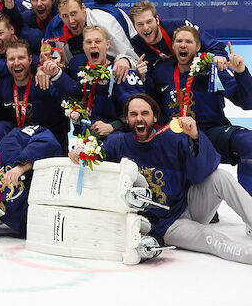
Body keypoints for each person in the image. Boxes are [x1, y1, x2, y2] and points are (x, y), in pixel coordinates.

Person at [82, 93, 252, 264]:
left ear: (155, 116)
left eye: (145, 113)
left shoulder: (173, 138)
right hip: (164, 225)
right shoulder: (116, 143)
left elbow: (203, 172)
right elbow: (93, 164)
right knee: (209, 236)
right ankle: (248, 255)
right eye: (134, 114)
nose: (139, 118)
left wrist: (195, 137)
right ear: (127, 118)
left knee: (220, 177)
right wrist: (79, 156)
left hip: (187, 206)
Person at [149, 26, 252, 197]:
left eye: (188, 41)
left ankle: (249, 211)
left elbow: (247, 102)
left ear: (198, 47)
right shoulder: (160, 71)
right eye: (179, 41)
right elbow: (150, 107)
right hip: (176, 136)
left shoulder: (211, 69)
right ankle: (196, 199)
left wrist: (241, 72)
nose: (183, 45)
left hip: (211, 133)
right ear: (173, 46)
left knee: (248, 142)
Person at [0, 120, 61, 238]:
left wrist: (23, 165)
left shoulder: (12, 141)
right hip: (29, 232)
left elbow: (49, 141)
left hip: (53, 213)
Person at [42, 25, 145, 137]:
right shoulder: (76, 64)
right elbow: (74, 92)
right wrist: (56, 73)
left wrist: (113, 126)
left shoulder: (120, 72)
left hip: (113, 138)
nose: (93, 45)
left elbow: (140, 112)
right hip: (82, 137)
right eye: (88, 42)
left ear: (107, 45)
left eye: (98, 41)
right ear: (83, 45)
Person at [43, 0, 138, 82]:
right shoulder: (55, 29)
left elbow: (134, 58)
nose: (71, 20)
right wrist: (52, 66)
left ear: (83, 8)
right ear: (60, 16)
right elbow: (54, 62)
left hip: (115, 64)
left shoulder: (107, 22)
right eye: (65, 16)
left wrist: (125, 60)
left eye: (74, 13)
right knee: (77, 63)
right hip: (81, 72)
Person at [0, 39, 69, 153]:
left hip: (50, 146)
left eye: (21, 58)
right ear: (6, 62)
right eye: (11, 59)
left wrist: (56, 72)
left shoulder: (44, 81)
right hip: (19, 146)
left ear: (30, 60)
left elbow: (69, 98)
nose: (16, 62)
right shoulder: (2, 87)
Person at [129, 0, 227, 71]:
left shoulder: (182, 27)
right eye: (140, 24)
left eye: (149, 22)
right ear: (134, 26)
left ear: (157, 20)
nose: (145, 28)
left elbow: (216, 47)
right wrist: (142, 75)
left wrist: (218, 57)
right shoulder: (135, 44)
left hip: (193, 77)